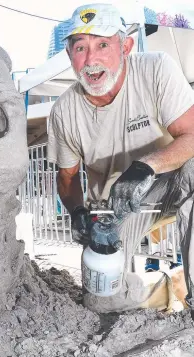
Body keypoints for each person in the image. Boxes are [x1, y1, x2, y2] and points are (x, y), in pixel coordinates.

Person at [47, 3, 194, 313]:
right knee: (103, 300)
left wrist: (146, 167)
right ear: (70, 56)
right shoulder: (63, 111)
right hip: (113, 209)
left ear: (125, 46)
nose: (91, 59)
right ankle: (166, 288)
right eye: (80, 48)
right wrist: (76, 212)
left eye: (102, 44)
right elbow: (67, 179)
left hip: (171, 183)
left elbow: (192, 135)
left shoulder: (156, 69)